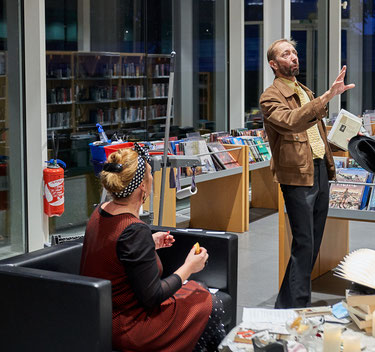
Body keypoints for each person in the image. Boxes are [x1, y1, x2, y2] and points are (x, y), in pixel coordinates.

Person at [80, 144, 226, 352]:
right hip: (130, 327)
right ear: (142, 186)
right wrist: (189, 267)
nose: (152, 179)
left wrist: (149, 244)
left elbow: (111, 254)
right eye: (150, 174)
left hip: (102, 318)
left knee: (198, 292)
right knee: (207, 301)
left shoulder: (101, 212)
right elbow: (153, 296)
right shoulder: (133, 230)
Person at [260, 38, 355, 308]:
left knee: (311, 245)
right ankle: (297, 309)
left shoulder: (305, 91)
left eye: (295, 52)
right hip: (297, 176)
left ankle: (285, 306)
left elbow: (315, 130)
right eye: (286, 53)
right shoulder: (270, 97)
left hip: (319, 170)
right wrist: (328, 96)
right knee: (303, 243)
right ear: (273, 64)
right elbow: (291, 122)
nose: (294, 56)